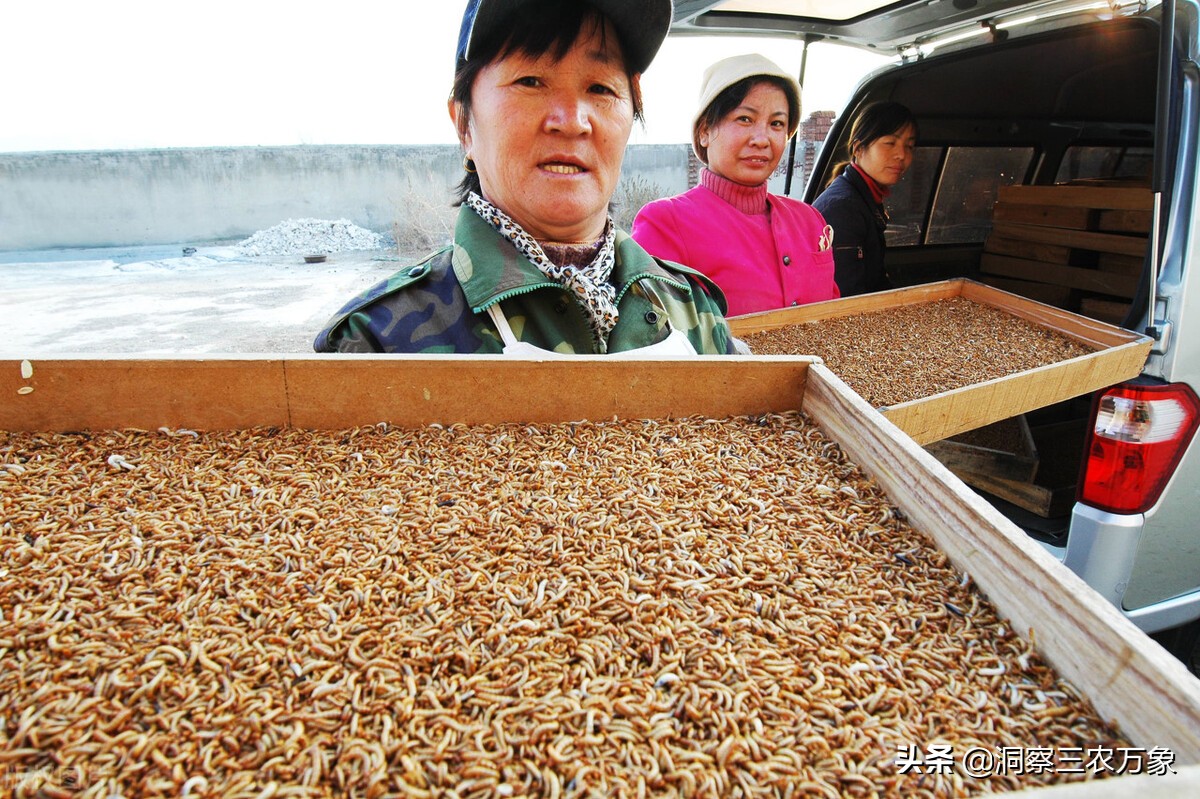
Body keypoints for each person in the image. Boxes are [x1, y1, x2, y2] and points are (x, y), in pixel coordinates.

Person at [314, 0, 736, 356]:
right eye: (530, 80)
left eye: (600, 88)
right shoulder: (378, 340)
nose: (572, 122)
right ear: (464, 123)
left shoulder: (692, 308)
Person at [630, 53, 839, 318]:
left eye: (776, 124)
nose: (762, 139)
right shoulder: (666, 223)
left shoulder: (810, 222)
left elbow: (836, 318)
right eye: (745, 119)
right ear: (705, 131)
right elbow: (648, 334)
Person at [812, 101, 918, 297]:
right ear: (859, 148)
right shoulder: (844, 208)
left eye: (909, 146)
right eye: (890, 143)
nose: (901, 155)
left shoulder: (863, 198)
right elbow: (849, 299)